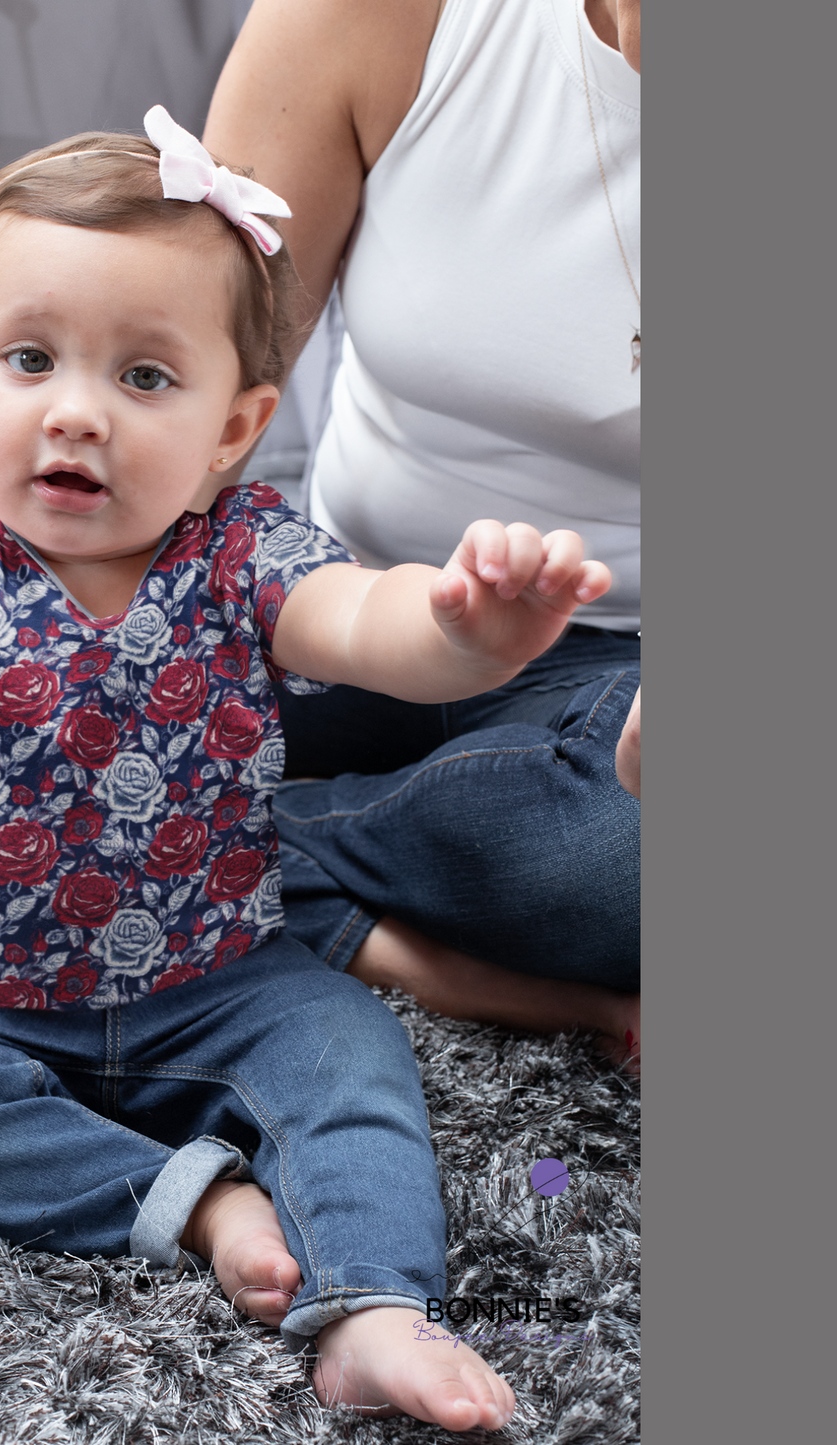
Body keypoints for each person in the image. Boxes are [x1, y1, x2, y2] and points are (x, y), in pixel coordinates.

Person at [0, 110, 617, 1426]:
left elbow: (365, 623)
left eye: (143, 378)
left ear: (236, 424)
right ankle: (191, 1205)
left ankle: (374, 1307)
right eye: (30, 359)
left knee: (349, 1061)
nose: (77, 412)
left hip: (222, 975)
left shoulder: (242, 553)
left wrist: (469, 628)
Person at [201, 0, 642, 1067]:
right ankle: (324, 868)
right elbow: (191, 358)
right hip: (342, 603)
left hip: (622, 674)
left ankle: (166, 844)